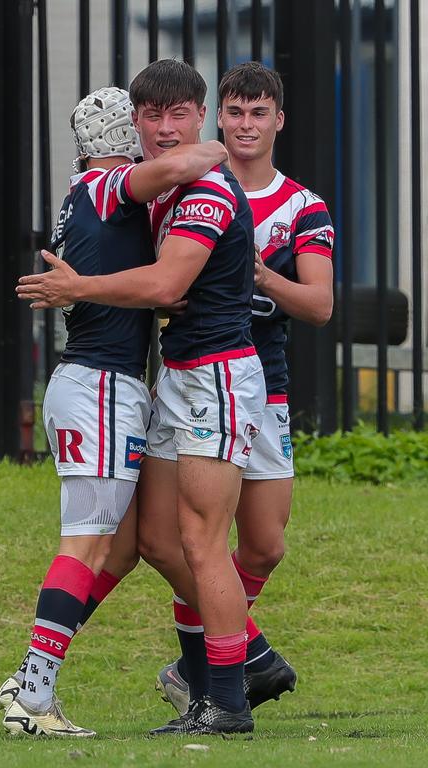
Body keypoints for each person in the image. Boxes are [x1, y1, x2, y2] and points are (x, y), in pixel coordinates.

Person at [17, 59, 262, 736]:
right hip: (161, 379)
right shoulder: (134, 189)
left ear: (199, 113)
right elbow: (162, 281)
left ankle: (227, 700)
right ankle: (238, 664)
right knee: (152, 539)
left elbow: (162, 287)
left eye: (176, 114)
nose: (161, 129)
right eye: (149, 116)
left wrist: (80, 288)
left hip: (212, 374)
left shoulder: (199, 189)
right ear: (129, 127)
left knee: (200, 542)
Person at [155, 61, 334, 715]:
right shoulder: (193, 186)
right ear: (218, 118)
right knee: (196, 539)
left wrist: (256, 274)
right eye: (235, 112)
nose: (246, 124)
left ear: (279, 120)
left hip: (266, 387)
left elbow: (318, 305)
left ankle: (217, 658)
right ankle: (218, 668)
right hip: (202, 376)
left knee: (263, 544)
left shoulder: (301, 206)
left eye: (259, 113)